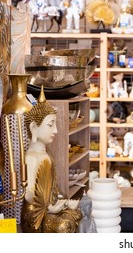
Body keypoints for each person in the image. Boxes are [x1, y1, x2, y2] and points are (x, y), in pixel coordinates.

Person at [21, 89, 82, 233]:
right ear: (34, 127)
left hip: (49, 208)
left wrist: (63, 203)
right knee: (64, 226)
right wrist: (49, 208)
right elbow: (29, 194)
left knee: (76, 213)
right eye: (50, 125)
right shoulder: (32, 156)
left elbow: (52, 189)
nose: (55, 130)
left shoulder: (46, 153)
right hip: (34, 215)